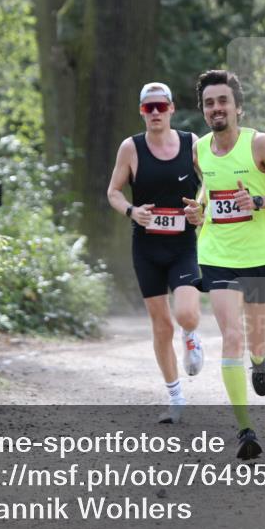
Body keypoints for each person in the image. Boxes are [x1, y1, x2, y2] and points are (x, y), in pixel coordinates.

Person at [182, 70, 265, 460]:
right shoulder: (199, 149)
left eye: (223, 101)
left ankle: (260, 360)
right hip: (216, 255)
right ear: (203, 110)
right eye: (209, 103)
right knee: (232, 336)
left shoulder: (259, 143)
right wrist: (199, 210)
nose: (216, 108)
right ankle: (245, 429)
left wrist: (259, 202)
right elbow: (208, 189)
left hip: (260, 257)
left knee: (257, 340)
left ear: (237, 107)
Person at [107, 82, 204, 424]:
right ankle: (175, 397)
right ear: (142, 112)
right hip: (146, 247)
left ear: (171, 108)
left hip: (183, 245)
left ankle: (191, 337)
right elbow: (113, 192)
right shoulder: (131, 148)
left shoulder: (192, 143)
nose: (156, 113)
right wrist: (132, 211)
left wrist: (201, 209)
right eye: (149, 108)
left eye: (161, 106)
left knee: (186, 314)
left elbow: (210, 183)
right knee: (161, 325)